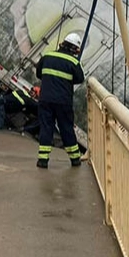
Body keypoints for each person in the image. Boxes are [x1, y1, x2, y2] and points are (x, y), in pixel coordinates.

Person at [35, 32, 85, 168]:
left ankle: (43, 160)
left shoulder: (47, 56)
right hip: (63, 102)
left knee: (46, 128)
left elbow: (39, 73)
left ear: (62, 44)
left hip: (45, 99)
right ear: (75, 49)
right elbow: (80, 78)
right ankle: (75, 159)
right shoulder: (74, 62)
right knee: (66, 128)